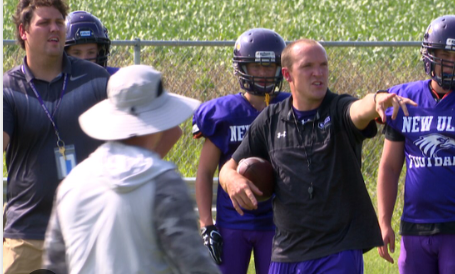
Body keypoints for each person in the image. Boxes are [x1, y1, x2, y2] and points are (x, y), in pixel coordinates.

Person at [218, 39, 416, 274]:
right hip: (285, 253)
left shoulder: (339, 108)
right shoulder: (271, 119)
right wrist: (232, 180)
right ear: (287, 74)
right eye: (308, 66)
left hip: (336, 251)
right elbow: (226, 169)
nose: (318, 73)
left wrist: (375, 100)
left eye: (323, 65)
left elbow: (359, 109)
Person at [42, 65, 221, 274]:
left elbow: (54, 266)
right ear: (158, 118)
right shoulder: (161, 181)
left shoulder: (71, 185)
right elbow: (194, 265)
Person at [376, 15, 455, 274]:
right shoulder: (405, 99)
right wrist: (384, 221)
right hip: (414, 225)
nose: (452, 65)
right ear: (429, 54)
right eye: (445, 55)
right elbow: (389, 167)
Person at [3, 0, 109, 273]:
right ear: (23, 31)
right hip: (26, 234)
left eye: (59, 22)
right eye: (44, 23)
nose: (54, 29)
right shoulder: (7, 89)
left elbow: (155, 131)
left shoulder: (97, 79)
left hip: (85, 233)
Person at [192, 28, 290, 274]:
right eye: (256, 66)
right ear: (242, 68)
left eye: (269, 67)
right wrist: (207, 225)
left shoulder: (291, 108)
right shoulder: (225, 113)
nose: (264, 74)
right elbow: (204, 172)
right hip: (232, 222)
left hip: (279, 223)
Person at [65, 10, 120, 75]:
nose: (84, 59)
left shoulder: (112, 77)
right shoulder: (56, 82)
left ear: (99, 52)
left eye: (91, 52)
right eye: (77, 53)